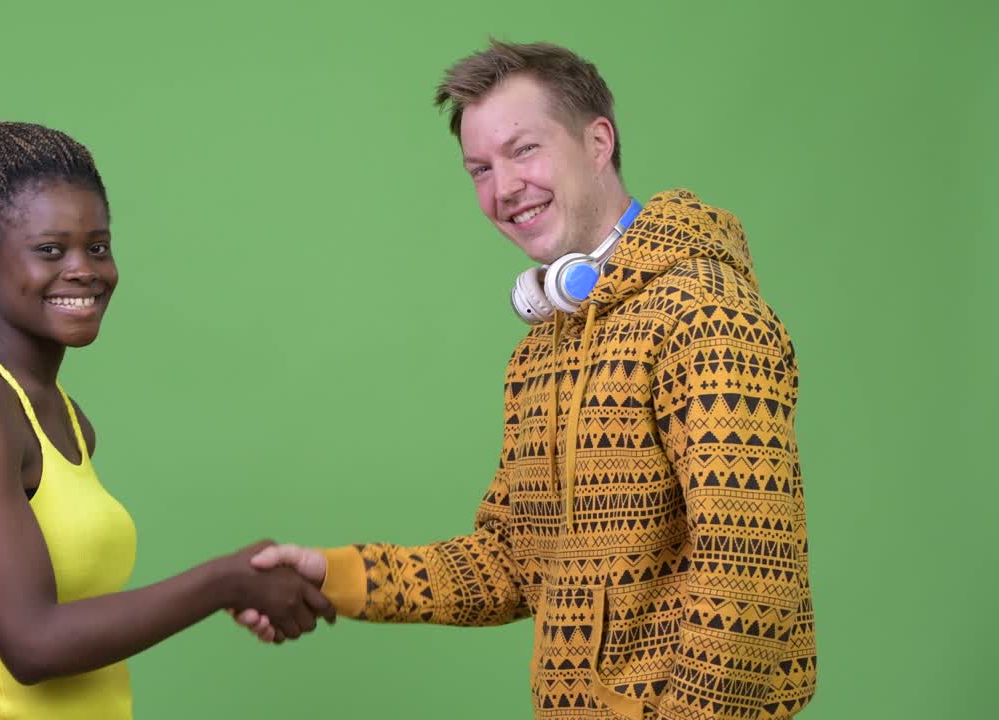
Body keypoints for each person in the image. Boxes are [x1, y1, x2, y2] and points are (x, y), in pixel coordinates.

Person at [237, 41, 817, 720]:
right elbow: (512, 564)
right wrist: (336, 576)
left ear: (598, 142)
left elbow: (748, 577)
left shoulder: (704, 314)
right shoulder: (544, 348)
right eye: (480, 168)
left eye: (524, 150)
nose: (503, 188)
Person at [0, 117, 333, 719]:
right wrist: (225, 582)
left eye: (97, 246)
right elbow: (30, 643)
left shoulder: (59, 415)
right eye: (51, 249)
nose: (84, 270)